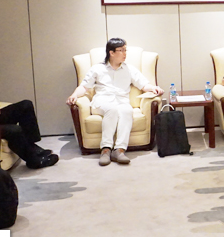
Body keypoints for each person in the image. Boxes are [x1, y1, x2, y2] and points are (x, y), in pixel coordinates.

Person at [67, 38, 163, 166]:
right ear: (111, 52)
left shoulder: (129, 69)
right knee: (111, 109)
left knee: (127, 111)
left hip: (122, 101)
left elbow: (143, 84)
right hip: (101, 101)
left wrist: (154, 88)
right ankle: (106, 149)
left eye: (125, 50)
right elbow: (84, 86)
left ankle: (119, 150)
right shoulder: (97, 69)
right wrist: (74, 94)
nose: (125, 53)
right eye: (121, 50)